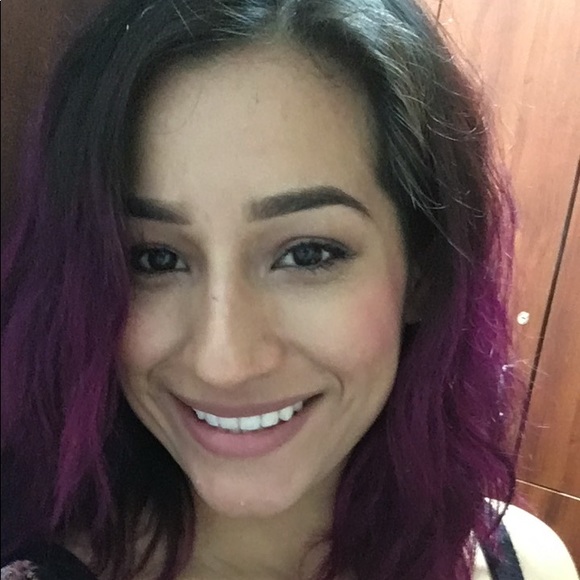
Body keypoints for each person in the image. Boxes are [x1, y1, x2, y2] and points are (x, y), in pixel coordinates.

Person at [1, 0, 577, 579]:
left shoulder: (525, 563)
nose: (224, 363)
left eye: (307, 254)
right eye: (155, 258)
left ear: (424, 270)